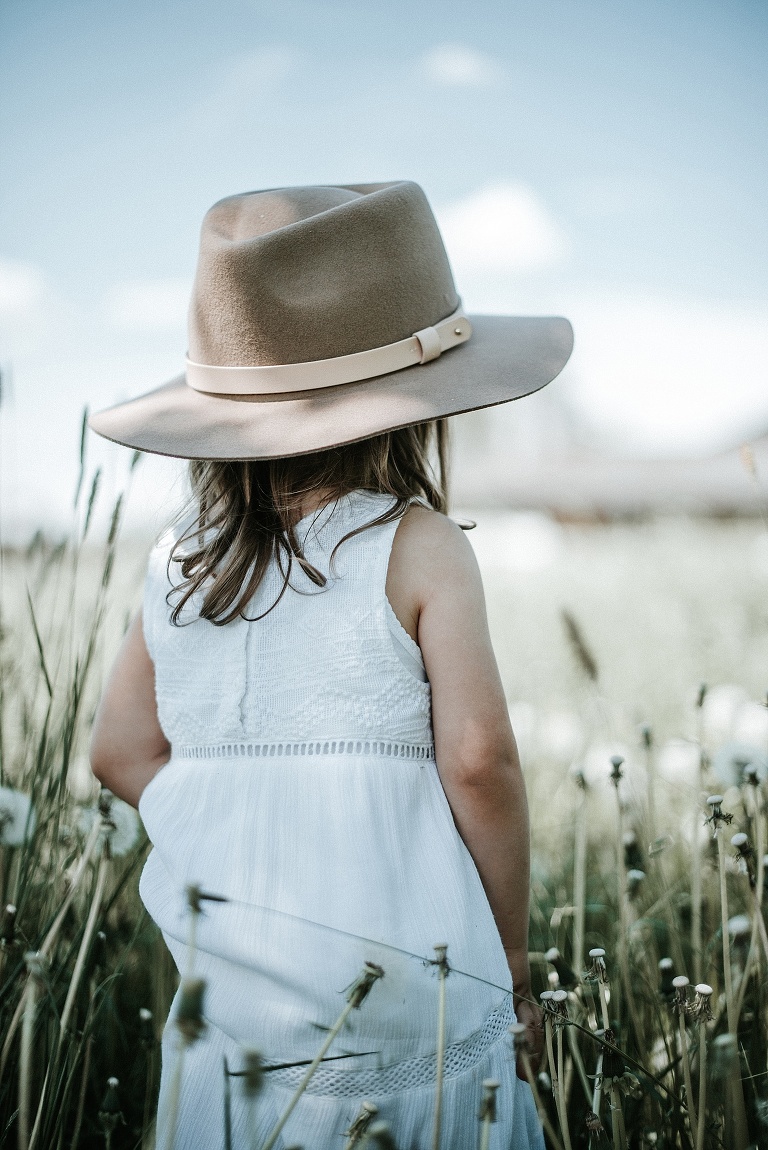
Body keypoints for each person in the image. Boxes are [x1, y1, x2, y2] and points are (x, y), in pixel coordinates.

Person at [89, 181, 572, 1148]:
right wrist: (512, 962)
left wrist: (239, 814)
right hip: (416, 986)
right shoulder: (419, 543)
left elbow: (118, 754)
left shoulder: (178, 563)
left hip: (234, 1012)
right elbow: (479, 761)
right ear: (413, 408)